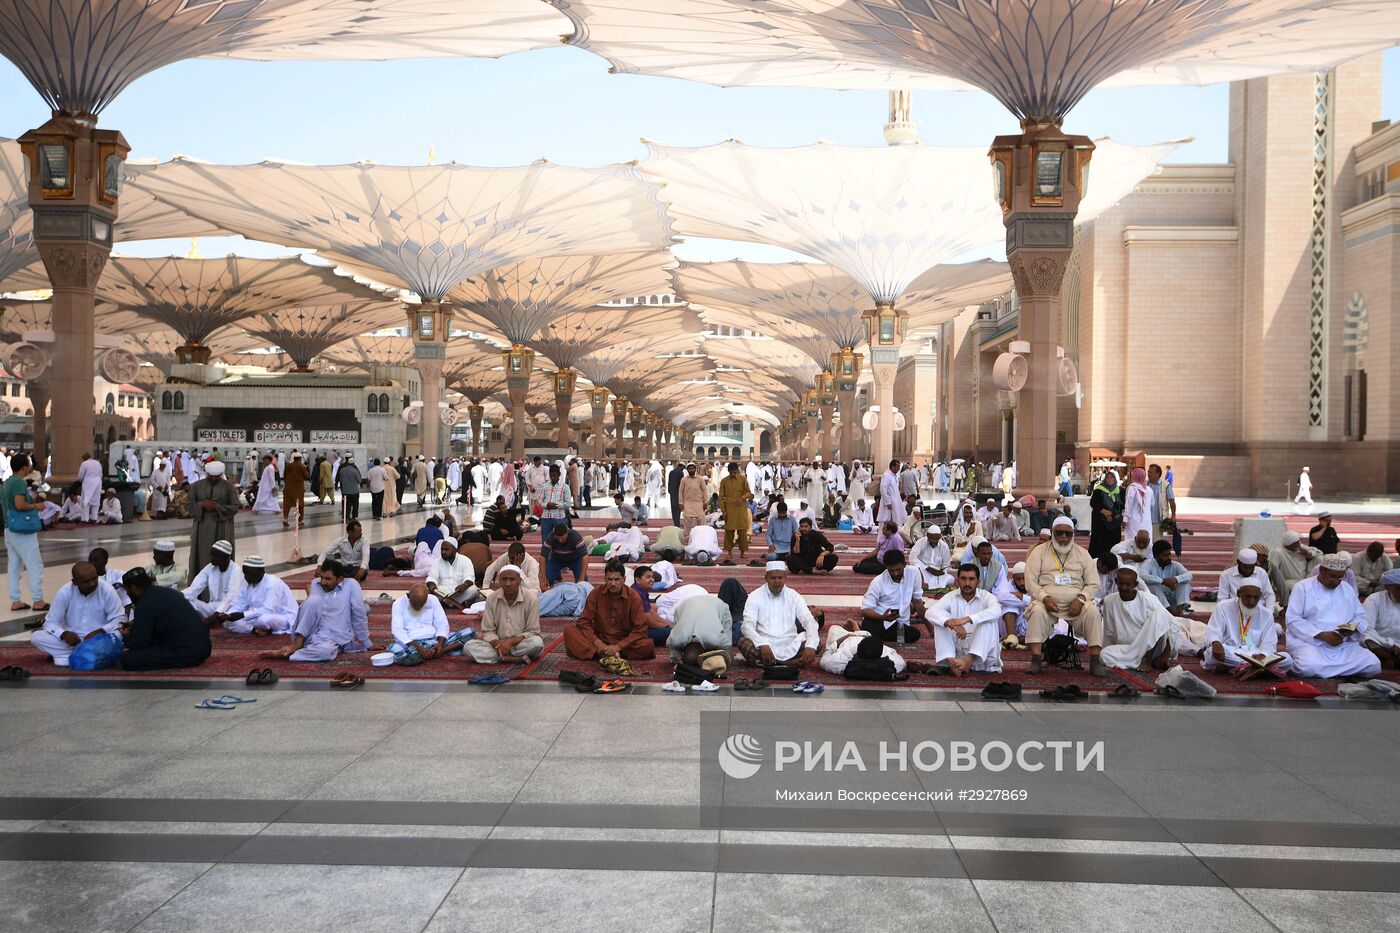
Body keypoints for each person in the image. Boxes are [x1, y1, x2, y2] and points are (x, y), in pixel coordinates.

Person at [1026, 517, 1106, 676]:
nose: (1063, 537)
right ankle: (1036, 659)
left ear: (1073, 534)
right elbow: (1030, 582)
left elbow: (1093, 583)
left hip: (1076, 603)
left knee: (1093, 613)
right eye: (1059, 533)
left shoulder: (1083, 554)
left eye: (1068, 534)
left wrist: (1081, 599)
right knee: (1037, 611)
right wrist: (1044, 598)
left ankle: (1095, 660)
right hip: (1047, 601)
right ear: (1052, 533)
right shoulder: (1039, 552)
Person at [1285, 553, 1379, 679]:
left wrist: (1351, 629)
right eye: (1332, 577)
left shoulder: (1347, 588)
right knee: (1308, 666)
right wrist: (1321, 635)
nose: (1336, 581)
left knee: (1373, 665)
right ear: (1321, 570)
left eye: (1340, 577)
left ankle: (1327, 671)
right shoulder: (1302, 587)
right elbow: (1293, 620)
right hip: (1312, 643)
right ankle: (1342, 670)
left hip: (1343, 645)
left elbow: (1360, 616)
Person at [118, 568, 212, 671]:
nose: (128, 595)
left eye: (128, 592)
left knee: (128, 659)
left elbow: (138, 644)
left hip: (188, 653)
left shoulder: (144, 604)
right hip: (205, 648)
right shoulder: (167, 592)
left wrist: (126, 637)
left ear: (134, 588)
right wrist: (137, 625)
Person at [30, 562, 124, 666]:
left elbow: (120, 619)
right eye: (87, 581)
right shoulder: (65, 592)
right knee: (36, 637)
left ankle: (67, 656)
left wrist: (101, 630)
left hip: (99, 639)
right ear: (75, 582)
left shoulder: (107, 590)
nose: (92, 583)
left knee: (119, 635)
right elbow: (50, 623)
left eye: (94, 578)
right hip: (73, 640)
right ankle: (85, 655)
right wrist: (64, 634)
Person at [562, 558, 653, 661]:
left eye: (617, 579)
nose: (613, 583)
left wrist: (619, 646)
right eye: (610, 579)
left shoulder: (633, 597)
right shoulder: (596, 593)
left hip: (624, 641)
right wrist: (598, 643)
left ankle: (603, 654)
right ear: (605, 579)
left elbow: (640, 629)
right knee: (569, 631)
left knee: (647, 645)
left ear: (624, 579)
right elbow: (583, 622)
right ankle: (605, 653)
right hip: (600, 638)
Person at [738, 560, 819, 667]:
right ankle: (791, 663)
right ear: (766, 578)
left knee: (817, 643)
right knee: (743, 642)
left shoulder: (794, 596)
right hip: (764, 644)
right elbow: (747, 625)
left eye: (780, 578)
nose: (777, 581)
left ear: (785, 577)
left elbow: (809, 621)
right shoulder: (755, 596)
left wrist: (810, 646)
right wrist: (762, 643)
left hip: (791, 642)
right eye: (773, 578)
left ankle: (769, 663)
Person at [927, 563, 1004, 676]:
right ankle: (951, 662)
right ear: (957, 581)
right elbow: (929, 612)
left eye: (971, 579)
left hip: (982, 660)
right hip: (956, 657)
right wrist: (950, 622)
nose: (967, 583)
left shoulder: (987, 597)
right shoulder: (951, 597)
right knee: (940, 619)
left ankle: (969, 659)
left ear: (978, 582)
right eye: (963, 579)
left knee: (988, 620)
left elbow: (997, 611)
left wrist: (966, 619)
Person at [1201, 581, 1292, 675]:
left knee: (1287, 659)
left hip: (1256, 654)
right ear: (1238, 594)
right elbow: (1213, 630)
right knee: (1211, 653)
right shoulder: (1223, 607)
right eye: (1247, 596)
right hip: (1231, 651)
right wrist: (1216, 642)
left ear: (1260, 595)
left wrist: (1263, 654)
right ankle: (1258, 669)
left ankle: (1236, 667)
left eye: (1255, 597)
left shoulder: (1266, 614)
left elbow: (1269, 642)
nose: (1251, 602)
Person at [1099, 566, 1177, 671]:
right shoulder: (1109, 601)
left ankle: (1147, 660)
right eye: (1121, 583)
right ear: (1116, 581)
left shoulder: (1149, 599)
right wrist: (1108, 649)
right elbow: (1109, 631)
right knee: (1104, 655)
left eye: (1128, 584)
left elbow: (1171, 624)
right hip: (1129, 650)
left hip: (1153, 649)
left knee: (1160, 614)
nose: (1124, 587)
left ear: (1135, 585)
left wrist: (1166, 654)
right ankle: (1137, 662)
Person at [467, 566, 545, 663]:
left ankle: (500, 657)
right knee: (469, 647)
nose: (508, 584)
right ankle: (514, 658)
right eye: (504, 579)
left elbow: (533, 631)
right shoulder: (492, 598)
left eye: (512, 579)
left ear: (519, 581)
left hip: (520, 643)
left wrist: (510, 642)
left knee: (536, 643)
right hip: (497, 644)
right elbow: (488, 631)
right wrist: (497, 644)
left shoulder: (531, 599)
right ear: (499, 580)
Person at [3, 454, 46, 612]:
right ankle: (38, 600)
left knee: (14, 565)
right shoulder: (19, 482)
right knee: (34, 564)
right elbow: (20, 505)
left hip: (10, 528)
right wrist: (37, 506)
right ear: (23, 467)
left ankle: (15, 600)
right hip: (22, 530)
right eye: (28, 464)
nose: (30, 467)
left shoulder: (6, 483)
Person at [388, 583, 474, 662]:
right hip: (411, 644)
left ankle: (439, 650)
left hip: (433, 641)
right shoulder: (398, 604)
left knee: (471, 632)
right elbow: (398, 630)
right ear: (408, 596)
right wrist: (418, 648)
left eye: (421, 605)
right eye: (415, 605)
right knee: (393, 648)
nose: (418, 608)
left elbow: (442, 624)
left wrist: (440, 644)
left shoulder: (433, 599)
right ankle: (433, 653)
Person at [187, 460, 240, 583]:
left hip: (223, 528)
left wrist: (217, 507)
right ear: (207, 474)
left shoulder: (228, 487)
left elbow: (235, 507)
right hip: (202, 528)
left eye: (217, 477)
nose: (214, 479)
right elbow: (189, 506)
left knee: (222, 558)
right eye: (211, 477)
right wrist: (202, 505)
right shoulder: (196, 486)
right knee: (202, 558)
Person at [859, 549, 926, 643]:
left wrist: (930, 628)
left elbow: (918, 602)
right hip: (879, 620)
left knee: (914, 635)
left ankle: (866, 633)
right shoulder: (878, 582)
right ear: (886, 567)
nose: (895, 573)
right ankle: (868, 633)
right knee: (872, 635)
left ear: (905, 564)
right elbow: (865, 610)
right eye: (891, 570)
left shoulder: (914, 573)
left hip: (900, 624)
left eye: (898, 569)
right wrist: (883, 617)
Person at [818, 621, 907, 677]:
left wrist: (847, 636)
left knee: (834, 628)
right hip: (865, 635)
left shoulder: (839, 662)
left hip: (847, 638)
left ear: (858, 650)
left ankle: (856, 629)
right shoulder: (894, 663)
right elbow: (894, 653)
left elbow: (828, 651)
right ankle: (857, 628)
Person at [182, 539, 239, 619]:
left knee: (233, 621)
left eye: (215, 556)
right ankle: (202, 620)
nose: (211, 558)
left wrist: (217, 614)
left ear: (226, 557)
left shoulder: (235, 570)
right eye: (211, 555)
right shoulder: (209, 568)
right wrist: (177, 597)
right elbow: (194, 589)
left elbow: (231, 597)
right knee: (187, 601)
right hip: (211, 607)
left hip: (230, 609)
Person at [1217, 549, 1279, 616]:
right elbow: (1222, 599)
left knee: (1273, 610)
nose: (1247, 570)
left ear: (1255, 564)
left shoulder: (1261, 573)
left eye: (1251, 567)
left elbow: (1269, 594)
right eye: (1245, 567)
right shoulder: (1226, 575)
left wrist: (1269, 612)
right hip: (1235, 610)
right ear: (1238, 562)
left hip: (1257, 608)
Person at [1139, 540, 1193, 615]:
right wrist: (1162, 581)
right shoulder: (1149, 565)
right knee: (1152, 586)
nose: (1169, 557)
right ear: (1156, 556)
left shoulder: (1175, 565)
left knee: (1185, 583)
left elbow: (1189, 575)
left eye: (1169, 554)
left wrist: (1175, 579)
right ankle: (1169, 611)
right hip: (1158, 603)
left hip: (1174, 600)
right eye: (1165, 555)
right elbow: (1142, 575)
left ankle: (1179, 610)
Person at [426, 537, 480, 609]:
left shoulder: (465, 560)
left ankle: (446, 603)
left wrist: (464, 585)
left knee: (474, 590)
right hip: (442, 591)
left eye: (446, 549)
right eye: (442, 549)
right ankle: (458, 603)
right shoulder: (437, 562)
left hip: (459, 591)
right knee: (426, 590)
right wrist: (432, 585)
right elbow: (432, 577)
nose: (443, 552)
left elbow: (469, 578)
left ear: (455, 549)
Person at [1361, 569, 1400, 669]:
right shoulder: (1374, 600)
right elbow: (1367, 629)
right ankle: (1393, 660)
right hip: (1380, 643)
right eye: (1398, 588)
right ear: (1388, 587)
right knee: (1367, 637)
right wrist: (1391, 645)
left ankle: (1387, 660)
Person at [718, 461, 754, 566]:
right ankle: (729, 552)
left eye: (735, 472)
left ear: (737, 471)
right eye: (731, 472)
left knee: (742, 531)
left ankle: (742, 553)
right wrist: (723, 511)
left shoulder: (743, 479)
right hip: (729, 510)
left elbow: (748, 492)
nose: (733, 474)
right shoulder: (724, 481)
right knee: (729, 532)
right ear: (729, 471)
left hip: (741, 509)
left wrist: (742, 498)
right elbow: (721, 497)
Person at [1088, 472, 1122, 558]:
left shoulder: (1120, 491)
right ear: (1105, 479)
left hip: (1113, 522)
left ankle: (1112, 557)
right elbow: (1093, 503)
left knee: (1113, 541)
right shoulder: (1098, 490)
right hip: (1100, 521)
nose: (1110, 479)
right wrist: (1102, 510)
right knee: (1099, 541)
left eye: (1112, 478)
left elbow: (1122, 505)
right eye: (1108, 478)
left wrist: (1113, 513)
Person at [537, 463, 572, 544]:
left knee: (561, 539)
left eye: (555, 475)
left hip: (559, 518)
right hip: (546, 517)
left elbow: (568, 504)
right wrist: (547, 505)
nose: (553, 478)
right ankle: (546, 555)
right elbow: (539, 501)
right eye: (551, 476)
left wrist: (557, 505)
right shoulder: (545, 486)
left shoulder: (565, 487)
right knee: (545, 539)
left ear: (559, 475)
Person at [1122, 467, 1152, 542]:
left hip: (1133, 520)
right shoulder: (1149, 489)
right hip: (1146, 520)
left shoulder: (1132, 488)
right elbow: (1152, 504)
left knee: (1132, 542)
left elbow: (1128, 505)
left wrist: (1125, 520)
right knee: (1146, 542)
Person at [280, 452, 309, 527]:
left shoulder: (288, 466)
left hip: (288, 487)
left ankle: (285, 519)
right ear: (300, 458)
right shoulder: (301, 466)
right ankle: (300, 521)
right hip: (298, 488)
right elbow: (306, 476)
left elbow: (285, 475)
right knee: (300, 505)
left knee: (287, 504)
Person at [679, 463, 706, 536]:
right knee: (687, 521)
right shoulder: (684, 479)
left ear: (695, 469)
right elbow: (681, 491)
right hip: (687, 503)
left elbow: (704, 490)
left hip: (698, 502)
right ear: (687, 470)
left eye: (692, 468)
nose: (691, 470)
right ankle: (686, 540)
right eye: (689, 469)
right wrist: (680, 502)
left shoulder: (700, 479)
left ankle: (702, 537)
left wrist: (706, 501)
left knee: (701, 521)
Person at [876, 459, 906, 526]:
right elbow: (883, 489)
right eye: (897, 466)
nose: (898, 468)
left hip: (895, 501)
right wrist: (887, 502)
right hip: (889, 502)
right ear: (892, 466)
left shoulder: (894, 476)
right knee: (886, 520)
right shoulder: (886, 475)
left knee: (894, 520)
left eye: (899, 467)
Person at [76, 452, 103, 523]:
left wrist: (81, 480)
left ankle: (85, 519)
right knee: (95, 502)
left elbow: (81, 475)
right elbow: (101, 474)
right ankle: (94, 519)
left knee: (86, 501)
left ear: (84, 458)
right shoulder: (98, 463)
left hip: (88, 484)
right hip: (97, 483)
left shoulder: (84, 464)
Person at [337, 456, 363, 522]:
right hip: (354, 491)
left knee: (347, 505)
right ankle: (354, 517)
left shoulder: (342, 470)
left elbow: (340, 479)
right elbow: (359, 480)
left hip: (345, 491)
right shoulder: (355, 471)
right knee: (355, 504)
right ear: (353, 463)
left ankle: (346, 517)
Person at [667, 460, 685, 526]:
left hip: (672, 492)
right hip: (678, 493)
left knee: (673, 507)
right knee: (678, 508)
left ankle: (675, 521)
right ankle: (677, 522)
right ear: (681, 466)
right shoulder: (680, 473)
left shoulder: (671, 472)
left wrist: (669, 491)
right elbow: (681, 484)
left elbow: (669, 482)